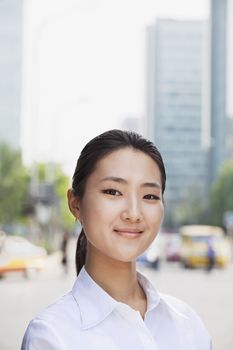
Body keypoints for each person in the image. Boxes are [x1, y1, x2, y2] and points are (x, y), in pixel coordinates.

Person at [21, 129, 212, 350]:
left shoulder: (188, 324)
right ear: (75, 204)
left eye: (149, 196)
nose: (133, 213)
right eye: (113, 192)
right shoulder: (51, 335)